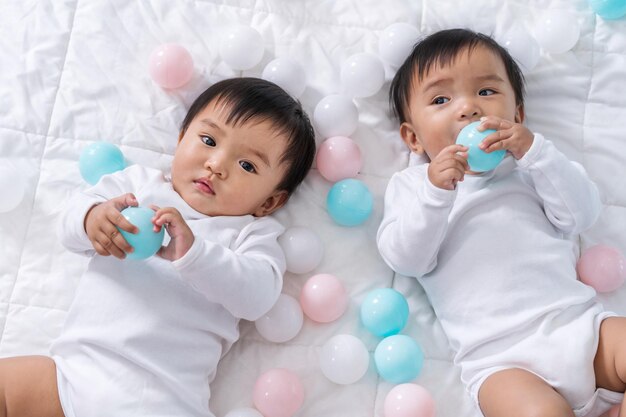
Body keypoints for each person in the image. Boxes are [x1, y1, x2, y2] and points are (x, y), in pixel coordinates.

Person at [0, 77, 316, 417]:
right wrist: (93, 219)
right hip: (71, 375)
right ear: (181, 139)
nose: (217, 165)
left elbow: (258, 296)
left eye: (247, 165)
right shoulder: (136, 185)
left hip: (159, 399)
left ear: (270, 202)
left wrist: (194, 254)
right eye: (208, 140)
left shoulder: (249, 234)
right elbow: (68, 226)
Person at [377, 28, 626, 417]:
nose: (469, 109)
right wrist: (436, 193)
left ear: (518, 115)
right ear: (413, 138)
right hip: (501, 361)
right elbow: (406, 259)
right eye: (441, 99)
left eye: (487, 92)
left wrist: (535, 152)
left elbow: (582, 214)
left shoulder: (532, 167)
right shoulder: (414, 188)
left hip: (581, 326)